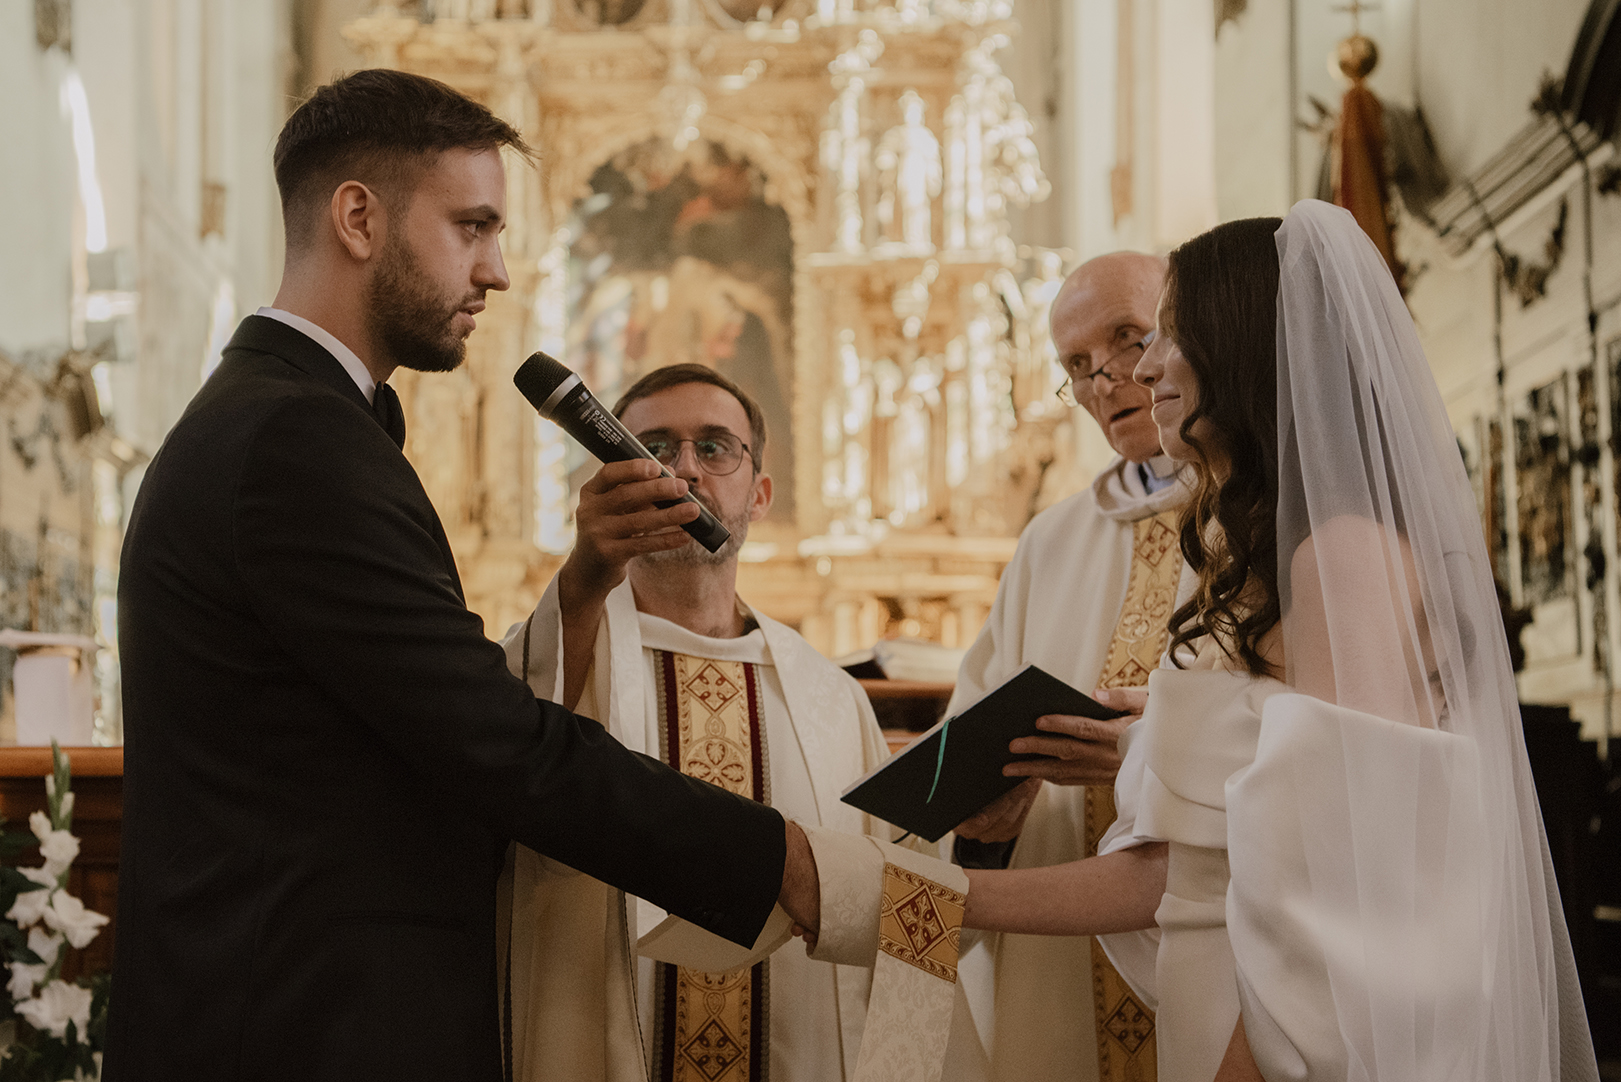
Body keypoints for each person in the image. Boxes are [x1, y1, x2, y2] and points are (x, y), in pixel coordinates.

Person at [105, 69, 821, 1082]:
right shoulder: (293, 440)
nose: (498, 272)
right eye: (472, 227)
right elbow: (496, 744)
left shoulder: (288, 418)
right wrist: (779, 859)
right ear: (358, 218)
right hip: (301, 1028)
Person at [958, 201, 1599, 1081]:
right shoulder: (1244, 546)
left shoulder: (1342, 556)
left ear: (1240, 345)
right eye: (1079, 365)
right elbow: (1210, 855)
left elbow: (1349, 890)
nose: (1133, 371)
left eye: (1154, 334)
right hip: (1217, 1003)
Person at [500, 363, 895, 1082]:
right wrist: (584, 576)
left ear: (760, 493)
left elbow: (893, 902)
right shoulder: (558, 654)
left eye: (714, 447)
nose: (682, 469)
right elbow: (505, 777)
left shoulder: (834, 701)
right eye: (650, 448)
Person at [944, 251, 1186, 1082]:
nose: (1106, 380)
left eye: (1127, 338)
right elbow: (972, 729)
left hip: (1216, 934)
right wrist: (983, 814)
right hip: (1059, 952)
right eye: (1076, 366)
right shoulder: (1049, 542)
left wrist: (1151, 751)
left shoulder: (1262, 516)